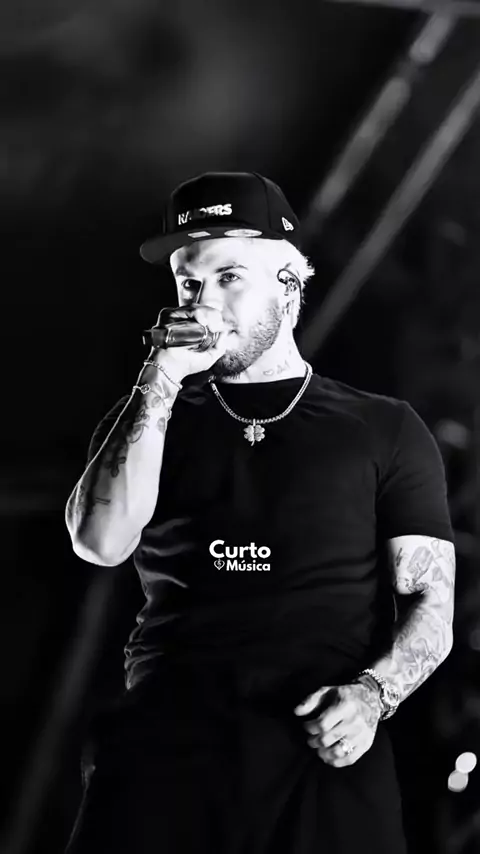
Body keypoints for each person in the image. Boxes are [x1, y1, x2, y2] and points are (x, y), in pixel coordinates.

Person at [64, 171, 455, 854]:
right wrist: (160, 380)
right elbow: (100, 543)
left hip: (319, 752)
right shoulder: (147, 419)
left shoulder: (382, 427)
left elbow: (432, 603)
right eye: (190, 283)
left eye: (229, 277)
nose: (206, 301)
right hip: (164, 751)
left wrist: (373, 695)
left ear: (290, 285)